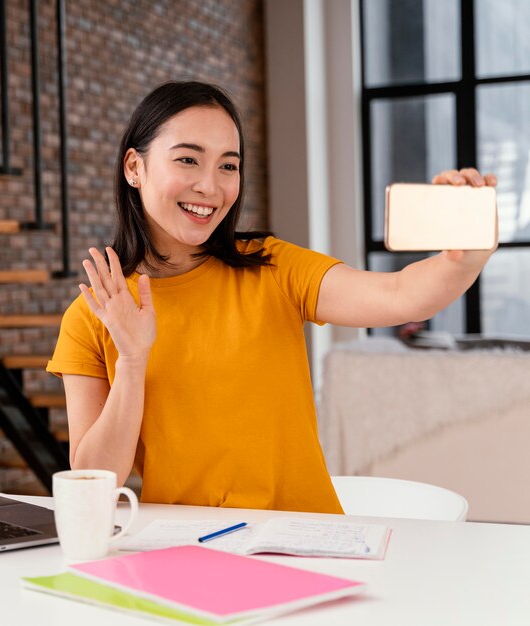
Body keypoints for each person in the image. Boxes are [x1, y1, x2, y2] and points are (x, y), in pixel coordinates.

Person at [47, 81, 497, 514]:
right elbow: (94, 482)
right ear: (134, 168)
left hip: (304, 541)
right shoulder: (93, 316)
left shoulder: (272, 268)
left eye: (228, 165)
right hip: (185, 548)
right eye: (188, 160)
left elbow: (400, 296)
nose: (210, 186)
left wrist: (463, 260)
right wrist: (131, 358)